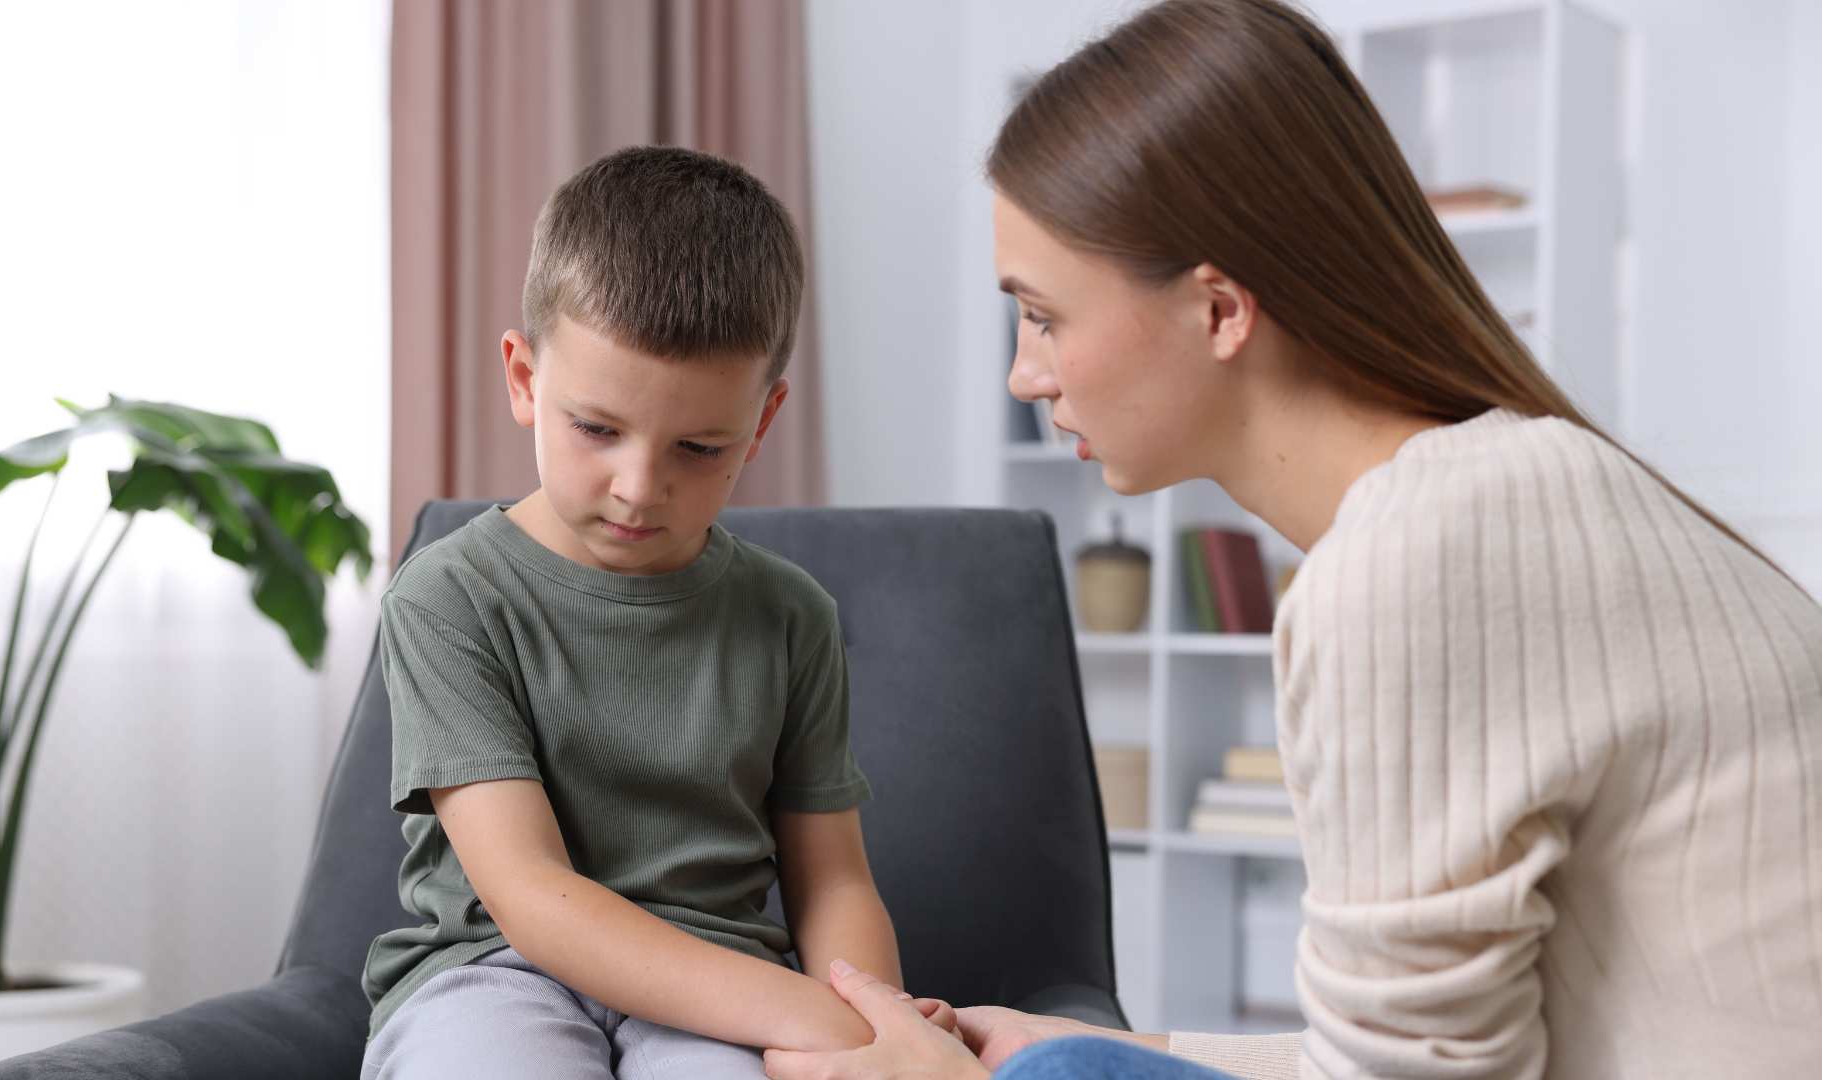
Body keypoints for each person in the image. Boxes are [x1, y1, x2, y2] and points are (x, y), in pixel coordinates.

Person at [760, 2, 1822, 1078]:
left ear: (1220, 311)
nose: (1024, 374)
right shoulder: (1502, 492)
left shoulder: (1425, 555)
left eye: (1043, 315)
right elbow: (1396, 1055)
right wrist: (1109, 1044)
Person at [358, 146, 952, 1079]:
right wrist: (809, 1015)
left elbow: (833, 877)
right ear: (524, 379)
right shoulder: (448, 597)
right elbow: (531, 894)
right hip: (496, 973)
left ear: (761, 423)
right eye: (597, 429)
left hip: (723, 983)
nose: (639, 487)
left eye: (699, 447)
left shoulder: (791, 616)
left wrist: (875, 1025)